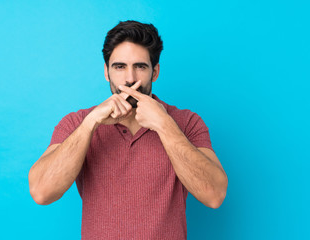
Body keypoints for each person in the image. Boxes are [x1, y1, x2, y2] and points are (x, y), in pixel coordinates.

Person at [28, 20, 228, 239]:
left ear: (155, 72)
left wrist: (164, 124)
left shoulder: (187, 122)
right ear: (106, 72)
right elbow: (41, 192)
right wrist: (90, 123)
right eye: (120, 67)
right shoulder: (77, 122)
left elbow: (214, 195)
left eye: (140, 66)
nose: (130, 78)